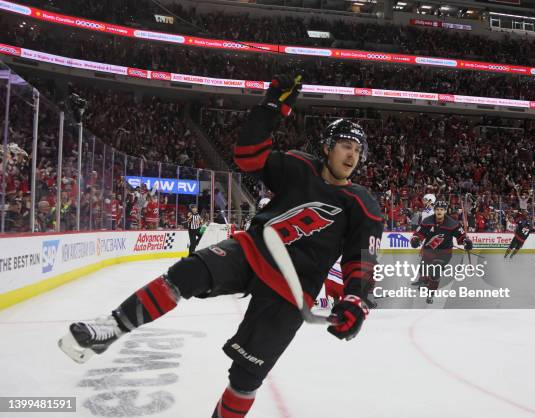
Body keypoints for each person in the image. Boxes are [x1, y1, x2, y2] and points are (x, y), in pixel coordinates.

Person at [58, 74, 383, 418]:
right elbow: (247, 155)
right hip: (254, 250)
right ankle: (112, 327)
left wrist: (355, 299)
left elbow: (361, 258)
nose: (353, 154)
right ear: (328, 146)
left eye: (358, 149)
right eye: (346, 145)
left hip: (293, 288)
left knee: (246, 378)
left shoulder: (362, 203)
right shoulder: (298, 165)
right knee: (186, 273)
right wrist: (270, 107)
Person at [410, 200, 473, 304]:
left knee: (435, 272)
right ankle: (424, 281)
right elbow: (418, 234)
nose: (439, 211)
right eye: (437, 209)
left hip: (444, 253)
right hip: (428, 251)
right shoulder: (427, 221)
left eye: (442, 209)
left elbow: (461, 236)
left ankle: (431, 294)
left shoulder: (452, 223)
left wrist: (466, 242)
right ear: (434, 210)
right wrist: (415, 240)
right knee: (424, 272)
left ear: (445, 211)